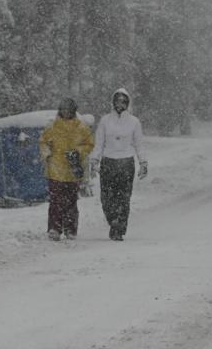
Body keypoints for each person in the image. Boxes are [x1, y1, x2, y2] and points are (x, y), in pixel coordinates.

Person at [89, 88, 147, 241]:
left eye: (123, 101)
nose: (120, 104)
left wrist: (143, 162)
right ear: (113, 102)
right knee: (107, 198)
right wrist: (94, 160)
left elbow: (139, 144)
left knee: (123, 198)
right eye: (117, 101)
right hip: (108, 162)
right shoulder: (105, 120)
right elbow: (99, 143)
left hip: (126, 162)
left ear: (127, 103)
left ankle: (119, 227)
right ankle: (112, 220)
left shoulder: (134, 122)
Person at [39, 98, 95, 241]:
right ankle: (54, 229)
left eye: (68, 110)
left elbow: (89, 144)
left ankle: (70, 229)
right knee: (55, 201)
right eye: (63, 109)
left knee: (71, 202)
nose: (65, 112)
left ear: (73, 111)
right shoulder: (52, 126)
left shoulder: (82, 127)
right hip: (55, 169)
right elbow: (43, 142)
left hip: (73, 170)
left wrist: (78, 151)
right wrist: (47, 154)